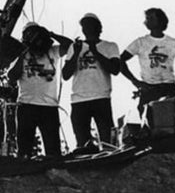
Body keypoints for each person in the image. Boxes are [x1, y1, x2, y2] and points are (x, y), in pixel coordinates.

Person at [7, 22, 71, 158]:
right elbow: (11, 76)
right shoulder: (22, 56)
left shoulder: (53, 51)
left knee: (53, 151)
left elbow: (69, 45)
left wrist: (51, 34)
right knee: (24, 150)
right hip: (27, 105)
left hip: (49, 107)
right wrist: (24, 53)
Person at [62, 13, 120, 150]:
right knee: (83, 144)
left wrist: (95, 52)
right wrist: (76, 53)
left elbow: (115, 69)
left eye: (90, 25)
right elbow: (65, 75)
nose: (86, 29)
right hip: (79, 100)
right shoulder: (75, 47)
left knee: (108, 143)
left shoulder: (110, 46)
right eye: (84, 26)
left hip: (101, 97)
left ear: (99, 28)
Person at [120, 8, 175, 115]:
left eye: (151, 18)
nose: (147, 21)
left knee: (172, 125)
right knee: (150, 125)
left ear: (160, 20)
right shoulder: (141, 42)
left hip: (169, 88)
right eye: (147, 18)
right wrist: (135, 81)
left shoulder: (174, 43)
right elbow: (120, 61)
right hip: (149, 88)